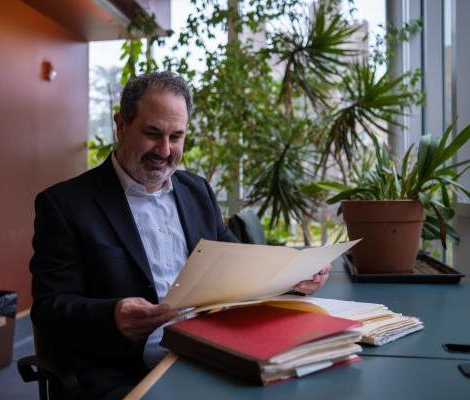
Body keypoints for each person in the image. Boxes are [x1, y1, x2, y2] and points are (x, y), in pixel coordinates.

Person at [29, 71, 331, 400]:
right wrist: (112, 315)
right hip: (124, 368)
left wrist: (292, 276)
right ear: (121, 125)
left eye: (176, 136)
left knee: (312, 370)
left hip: (209, 343)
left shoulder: (196, 191)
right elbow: (49, 309)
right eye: (152, 133)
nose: (165, 149)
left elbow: (235, 264)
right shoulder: (66, 204)